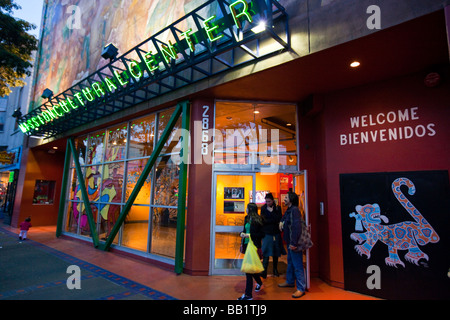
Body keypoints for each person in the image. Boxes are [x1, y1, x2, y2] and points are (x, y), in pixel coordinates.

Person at [278, 192, 306, 298]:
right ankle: (289, 281)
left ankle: (301, 288)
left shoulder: (295, 210)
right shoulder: (289, 210)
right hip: (290, 242)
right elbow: (283, 218)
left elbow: (297, 227)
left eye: (286, 197)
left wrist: (294, 243)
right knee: (290, 262)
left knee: (297, 265)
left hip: (294, 242)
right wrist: (281, 222)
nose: (284, 199)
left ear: (291, 199)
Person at [238, 203, 264, 300]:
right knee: (250, 268)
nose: (246, 209)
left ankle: (248, 295)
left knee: (248, 270)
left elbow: (261, 234)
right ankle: (259, 282)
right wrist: (242, 234)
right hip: (246, 245)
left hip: (254, 246)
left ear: (251, 209)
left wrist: (249, 236)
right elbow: (244, 229)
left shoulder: (258, 219)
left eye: (247, 208)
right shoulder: (246, 218)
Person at [260, 193, 283, 278]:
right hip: (267, 232)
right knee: (266, 251)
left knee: (275, 252)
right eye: (266, 201)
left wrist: (271, 213)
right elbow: (263, 220)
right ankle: (264, 270)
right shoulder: (263, 208)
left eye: (269, 201)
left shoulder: (277, 208)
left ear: (273, 200)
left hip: (275, 232)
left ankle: (275, 269)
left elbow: (279, 218)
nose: (267, 203)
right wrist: (273, 219)